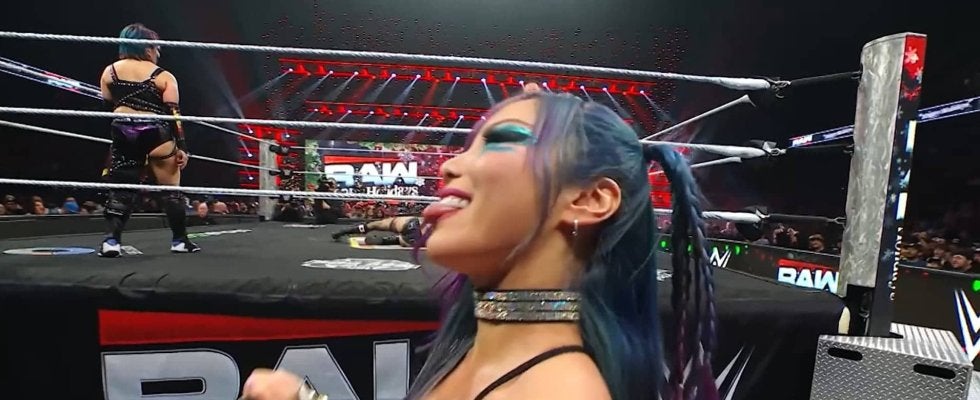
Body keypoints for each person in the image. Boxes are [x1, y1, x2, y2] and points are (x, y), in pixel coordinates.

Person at [240, 84, 717, 400]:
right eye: (469, 144)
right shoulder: (489, 350)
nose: (449, 165)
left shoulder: (554, 391)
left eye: (501, 139)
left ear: (589, 199)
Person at [98, 23, 198, 257]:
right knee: (171, 189)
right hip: (156, 132)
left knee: (122, 190)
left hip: (123, 130)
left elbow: (108, 104)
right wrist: (182, 147)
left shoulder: (109, 72)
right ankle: (180, 241)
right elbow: (174, 114)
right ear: (147, 48)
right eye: (156, 47)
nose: (158, 52)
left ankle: (111, 241)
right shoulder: (164, 76)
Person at [330, 215, 422, 247]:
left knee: (375, 224)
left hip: (412, 224)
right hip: (418, 238)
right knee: (399, 240)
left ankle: (346, 231)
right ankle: (388, 240)